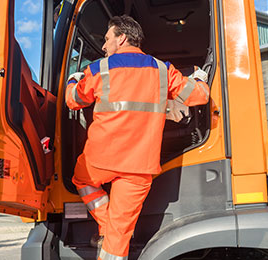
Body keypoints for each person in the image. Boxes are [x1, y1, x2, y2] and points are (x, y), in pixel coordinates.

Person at [65, 15, 210, 260]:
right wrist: (199, 79)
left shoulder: (99, 69)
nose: (104, 46)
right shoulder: (164, 71)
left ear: (121, 38)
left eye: (108, 38)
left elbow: (73, 100)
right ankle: (110, 230)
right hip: (139, 167)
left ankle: (104, 224)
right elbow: (199, 97)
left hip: (99, 161)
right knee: (119, 235)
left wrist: (73, 79)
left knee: (82, 180)